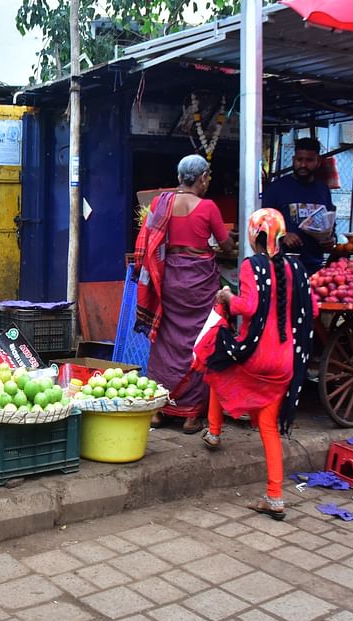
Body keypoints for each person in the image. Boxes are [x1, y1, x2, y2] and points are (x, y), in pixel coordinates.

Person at [194, 209, 316, 520]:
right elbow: (311, 307)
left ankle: (215, 432)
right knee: (268, 428)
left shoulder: (252, 266)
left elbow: (247, 307)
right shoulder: (295, 267)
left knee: (214, 361)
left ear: (254, 236)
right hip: (285, 361)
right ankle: (275, 497)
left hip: (254, 356)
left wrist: (226, 296)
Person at [134, 154, 234, 434]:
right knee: (199, 341)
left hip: (167, 281)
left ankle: (159, 410)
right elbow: (225, 246)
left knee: (165, 341)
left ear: (179, 178)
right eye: (207, 178)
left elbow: (148, 241)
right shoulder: (208, 207)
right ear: (202, 179)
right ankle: (190, 415)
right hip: (198, 284)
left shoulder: (159, 203)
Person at [262, 137, 336, 273]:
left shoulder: (323, 190)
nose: (303, 165)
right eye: (299, 160)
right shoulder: (276, 188)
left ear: (318, 162)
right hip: (282, 267)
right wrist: (282, 235)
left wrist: (330, 240)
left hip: (314, 266)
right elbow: (261, 226)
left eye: (309, 160)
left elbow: (329, 224)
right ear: (293, 160)